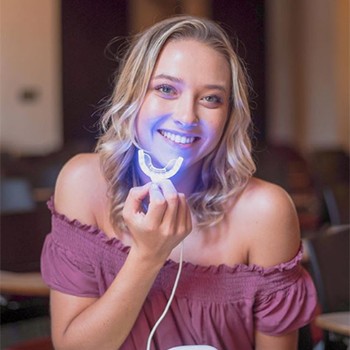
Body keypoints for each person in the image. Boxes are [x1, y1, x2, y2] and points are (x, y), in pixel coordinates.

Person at [41, 15, 317, 350]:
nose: (187, 117)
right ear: (133, 95)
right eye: (166, 89)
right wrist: (146, 257)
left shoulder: (266, 211)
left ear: (230, 115)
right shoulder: (82, 183)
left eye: (211, 98)